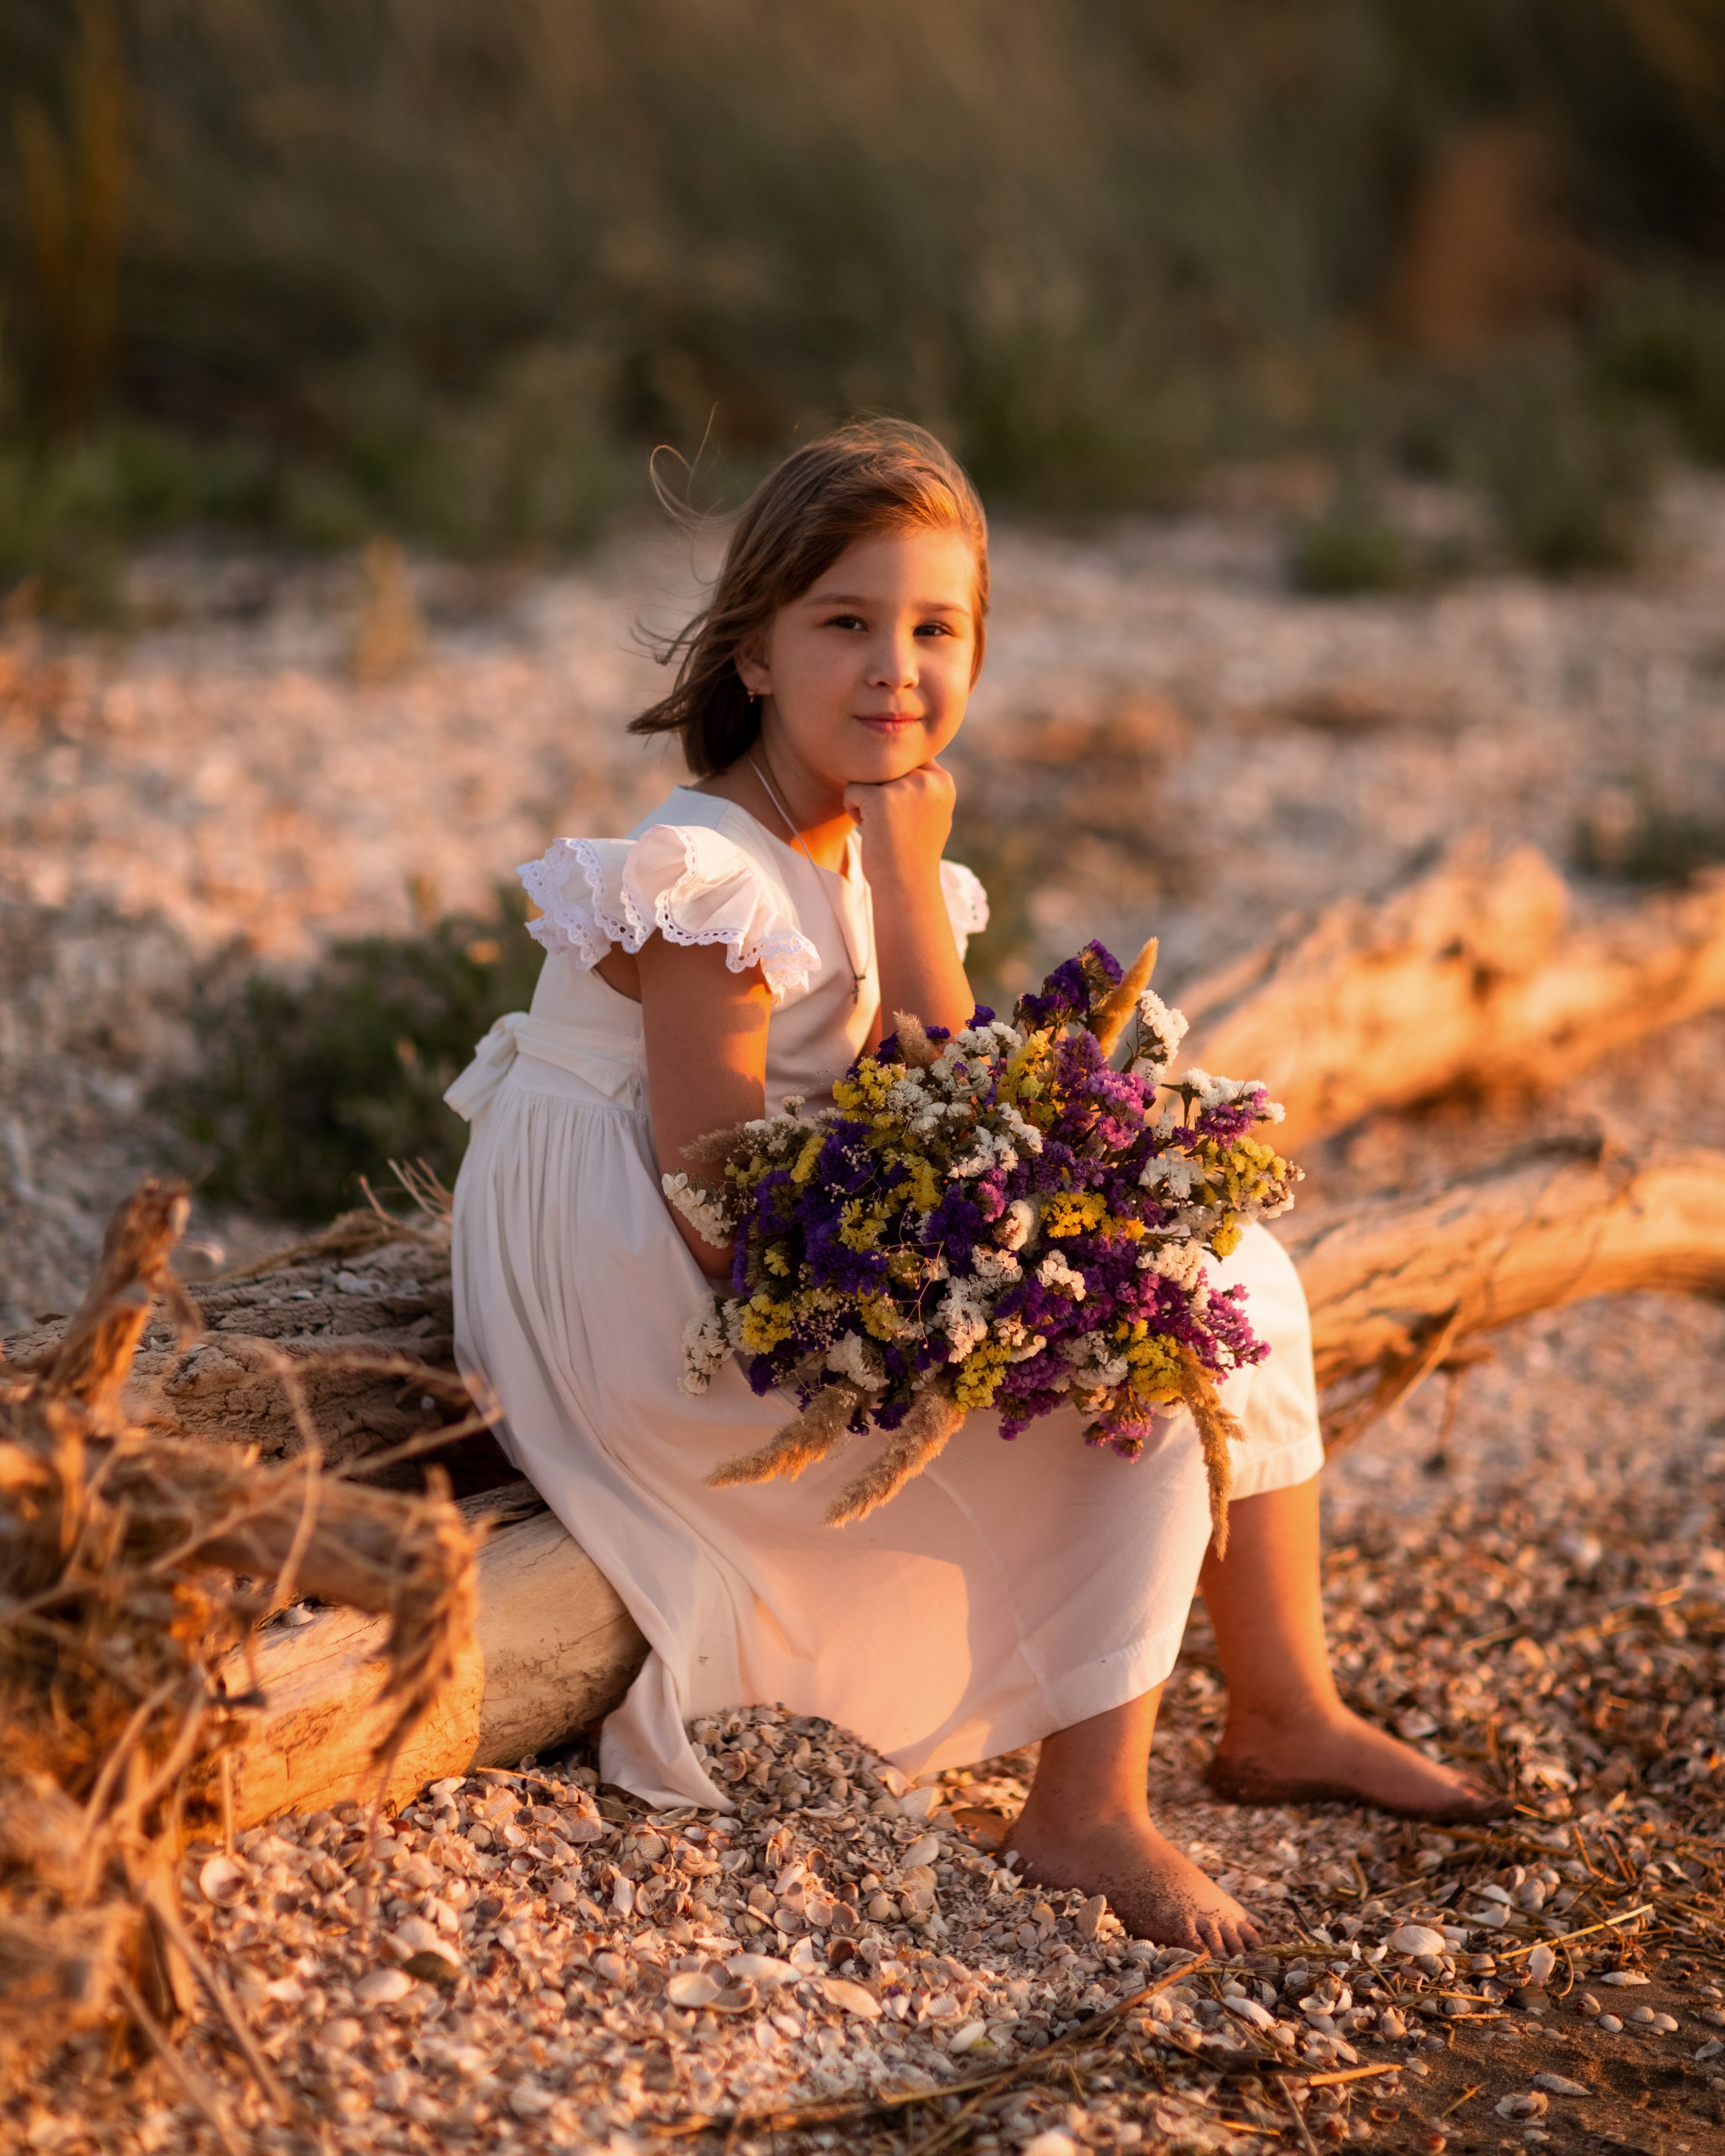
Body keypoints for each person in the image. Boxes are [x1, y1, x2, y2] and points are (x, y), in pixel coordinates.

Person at [445, 420, 1505, 1957]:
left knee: (1231, 1275)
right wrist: (944, 1323)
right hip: (653, 1284)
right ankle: (1083, 1811)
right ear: (750, 653)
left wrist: (898, 881)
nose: (895, 668)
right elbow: (711, 1184)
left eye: (935, 629)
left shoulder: (882, 844)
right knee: (1122, 1365)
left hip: (783, 1223)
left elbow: (926, 1091)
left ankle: (1281, 1704)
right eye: (844, 623)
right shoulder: (703, 876)